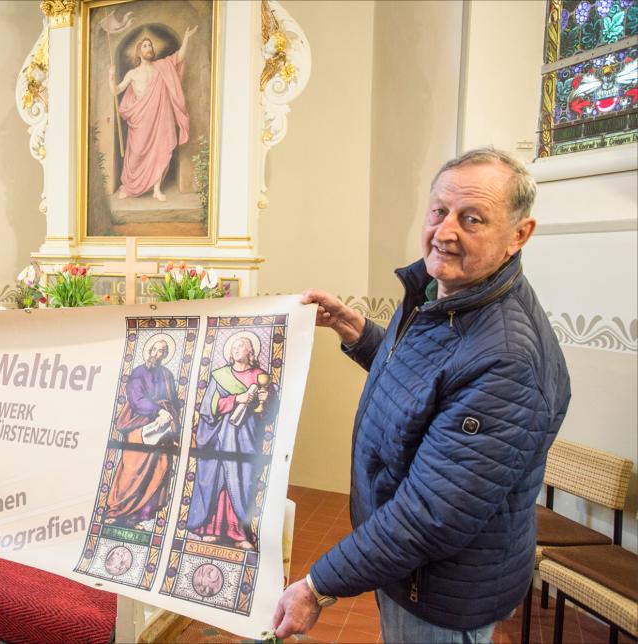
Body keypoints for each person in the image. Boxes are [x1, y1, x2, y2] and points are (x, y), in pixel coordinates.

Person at [272, 148, 571, 643]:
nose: (446, 231)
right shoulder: (444, 295)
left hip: (439, 589)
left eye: (471, 219)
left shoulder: (507, 358)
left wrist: (317, 586)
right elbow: (423, 384)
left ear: (520, 235)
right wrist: (355, 329)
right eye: (439, 211)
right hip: (405, 569)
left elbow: (431, 515)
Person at [186, 333, 276, 550]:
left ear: (250, 352)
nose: (237, 349)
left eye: (242, 346)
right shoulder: (220, 376)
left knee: (242, 481)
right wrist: (236, 399)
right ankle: (212, 529)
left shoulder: (260, 376)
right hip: (220, 437)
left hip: (246, 438)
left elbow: (270, 413)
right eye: (234, 346)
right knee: (219, 479)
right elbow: (207, 407)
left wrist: (266, 401)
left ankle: (239, 532)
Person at [108, 25, 198, 201]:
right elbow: (116, 90)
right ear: (139, 52)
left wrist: (186, 37)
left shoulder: (162, 67)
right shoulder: (132, 73)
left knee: (162, 151)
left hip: (161, 120)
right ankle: (129, 186)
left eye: (150, 46)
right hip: (141, 122)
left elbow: (179, 57)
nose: (149, 49)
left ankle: (157, 189)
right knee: (135, 154)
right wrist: (111, 77)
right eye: (145, 46)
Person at [104, 335, 180, 530]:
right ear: (149, 351)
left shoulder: (167, 375)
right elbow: (136, 400)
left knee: (157, 469)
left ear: (165, 355)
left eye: (162, 351)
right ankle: (116, 511)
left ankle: (135, 518)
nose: (157, 353)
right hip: (139, 424)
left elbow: (173, 401)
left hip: (162, 427)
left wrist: (171, 421)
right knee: (132, 469)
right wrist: (158, 411)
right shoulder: (138, 373)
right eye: (155, 349)